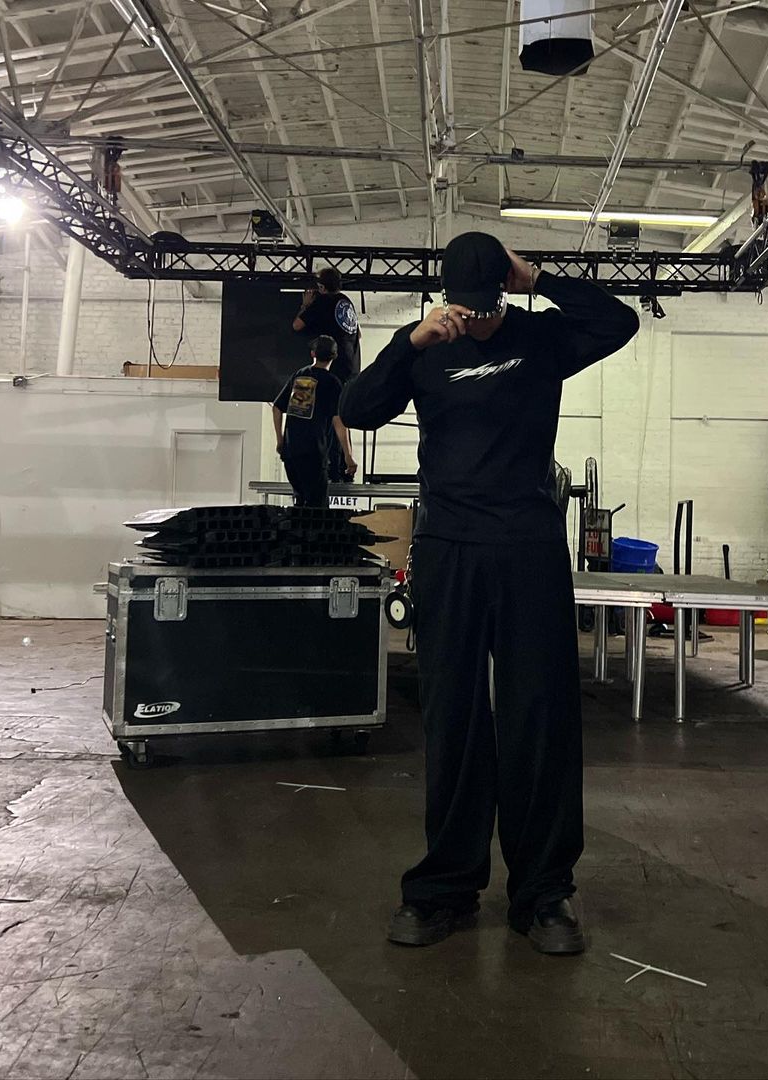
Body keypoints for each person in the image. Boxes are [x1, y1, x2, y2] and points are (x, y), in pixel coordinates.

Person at [338, 231, 638, 955]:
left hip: (529, 547)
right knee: (454, 717)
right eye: (465, 308)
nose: (476, 320)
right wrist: (409, 341)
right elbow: (357, 407)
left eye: (488, 303)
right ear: (448, 298)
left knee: (541, 716)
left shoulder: (541, 338)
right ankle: (445, 886)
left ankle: (544, 892)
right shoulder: (426, 348)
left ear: (506, 287)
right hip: (449, 549)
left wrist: (542, 280)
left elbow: (619, 321)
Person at [272, 335, 357, 508]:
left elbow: (277, 408)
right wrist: (348, 456)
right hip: (314, 453)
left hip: (291, 453)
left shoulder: (299, 376)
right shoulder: (332, 383)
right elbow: (338, 421)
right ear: (334, 356)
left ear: (313, 353)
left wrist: (281, 441)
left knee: (300, 503)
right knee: (317, 510)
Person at [292, 266, 361, 383]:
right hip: (353, 367)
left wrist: (305, 306)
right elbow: (358, 334)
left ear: (322, 287)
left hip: (334, 368)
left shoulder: (323, 301)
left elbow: (297, 325)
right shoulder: (347, 301)